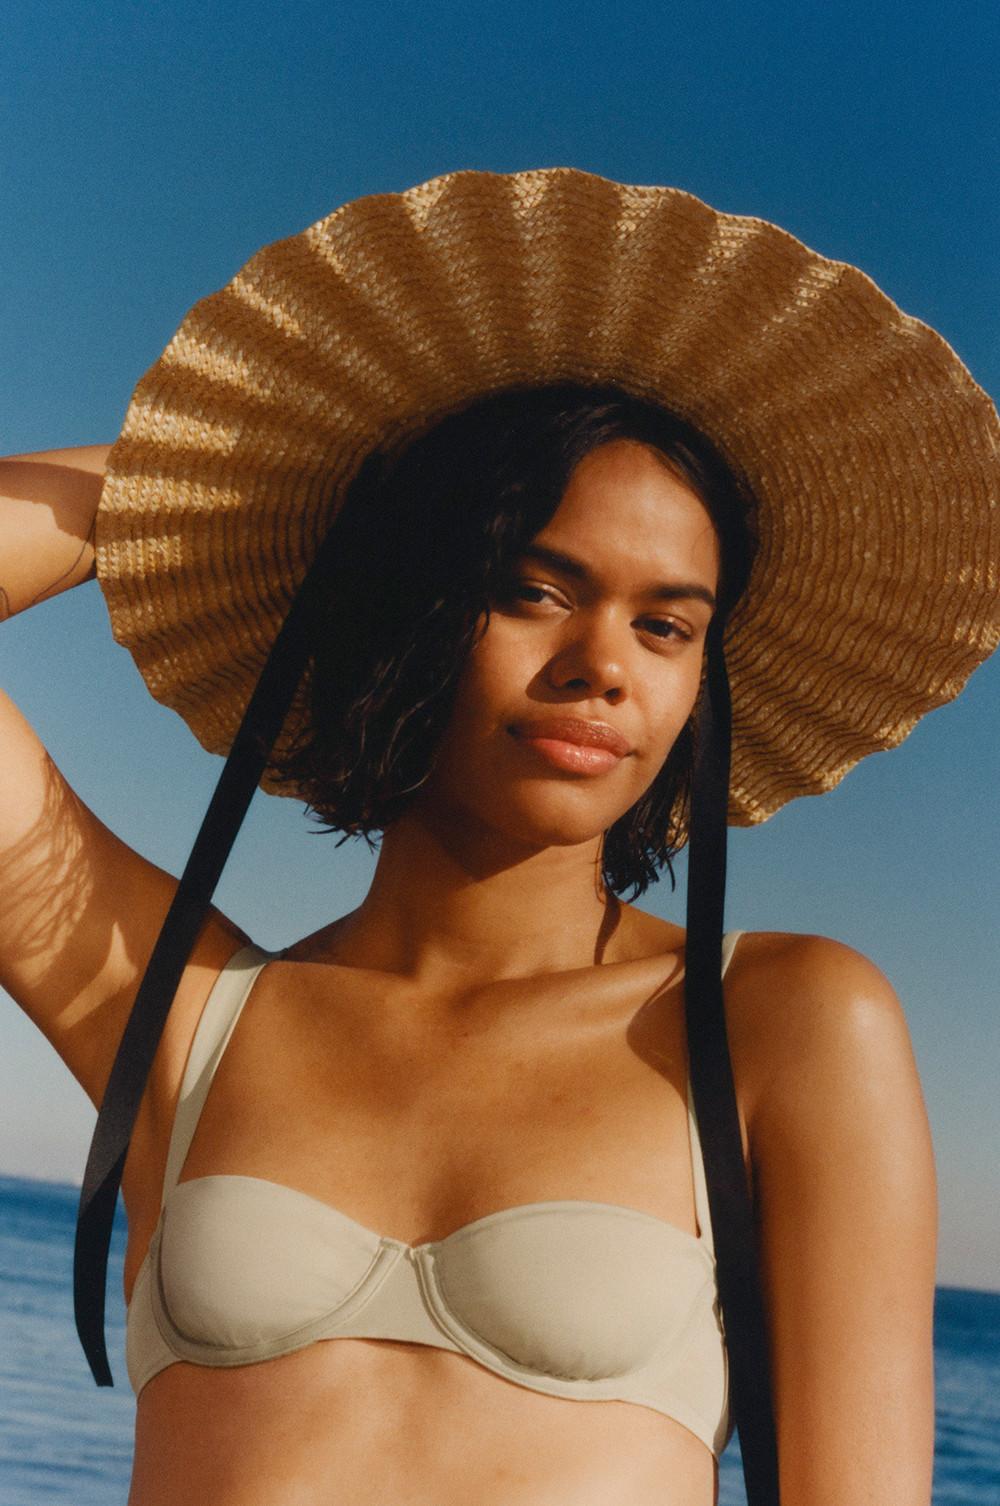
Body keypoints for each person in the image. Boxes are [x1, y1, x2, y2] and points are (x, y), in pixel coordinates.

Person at [1, 168, 996, 1506]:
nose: (604, 665)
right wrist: (220, 475)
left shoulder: (782, 1021)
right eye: (534, 586)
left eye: (666, 624)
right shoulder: (183, 1019)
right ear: (407, 607)